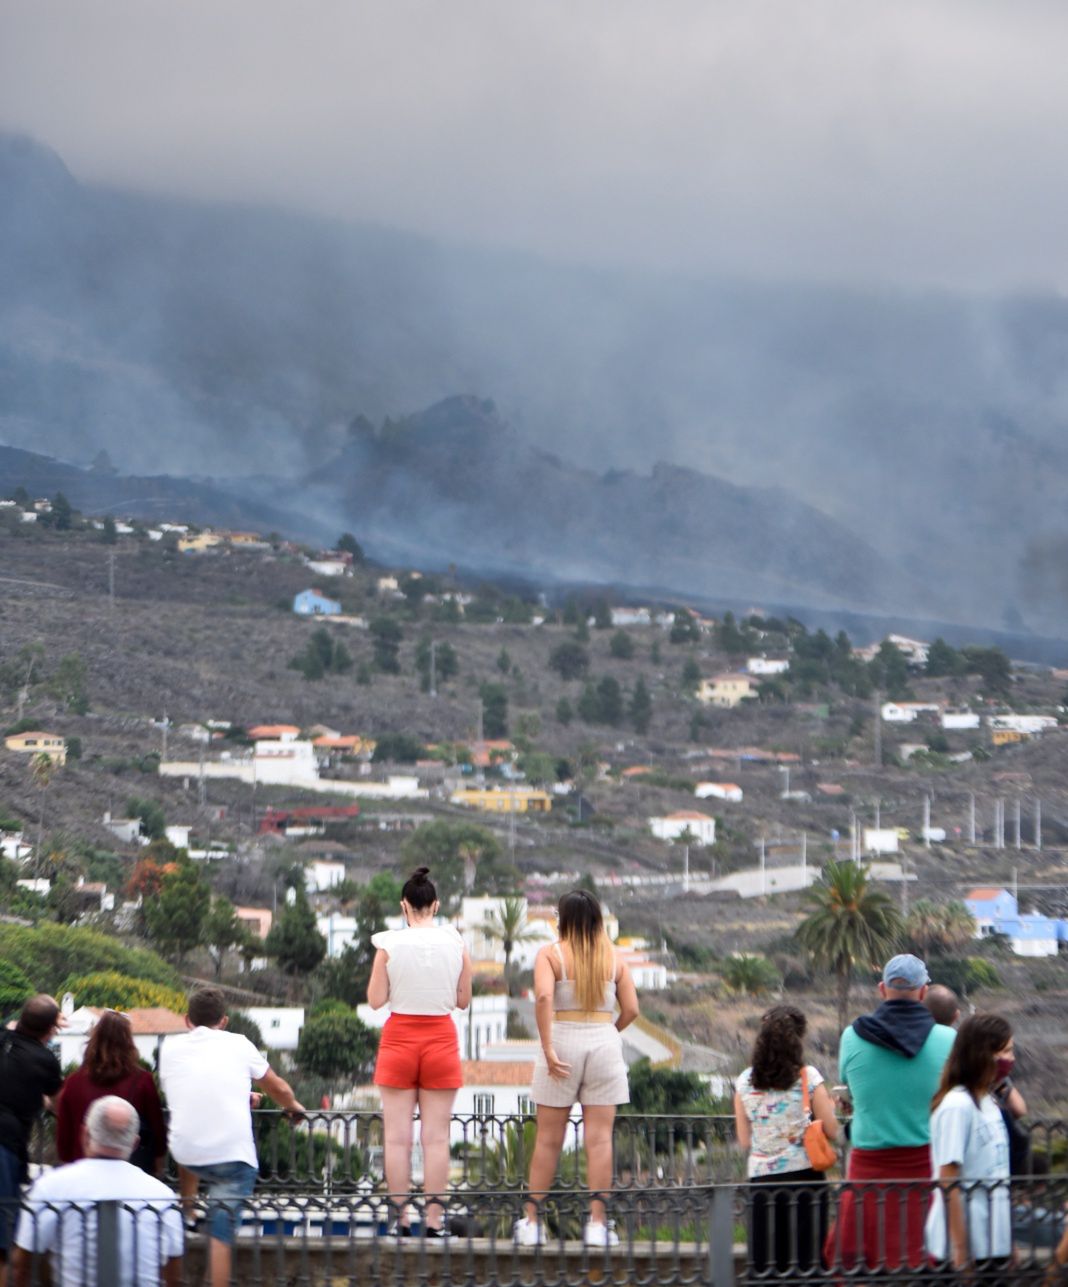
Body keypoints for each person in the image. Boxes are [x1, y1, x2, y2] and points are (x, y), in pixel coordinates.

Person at [516, 889, 639, 1249]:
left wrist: (548, 1046)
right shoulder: (613, 958)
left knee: (548, 1140)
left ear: (564, 919)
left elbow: (542, 997)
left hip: (563, 1041)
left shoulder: (551, 954)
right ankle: (599, 1225)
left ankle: (532, 1221)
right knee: (599, 1140)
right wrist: (607, 1034)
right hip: (604, 1042)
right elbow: (631, 1009)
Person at [159, 986, 304, 1287]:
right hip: (232, 1159)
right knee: (220, 1236)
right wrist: (293, 1107)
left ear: (187, 1020)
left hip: (185, 1152)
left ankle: (188, 1209)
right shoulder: (239, 1044)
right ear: (223, 1021)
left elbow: (196, 1088)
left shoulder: (169, 1047)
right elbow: (277, 1087)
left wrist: (240, 1095)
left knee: (192, 1134)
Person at [826, 953, 955, 1272]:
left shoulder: (852, 1036)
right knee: (925, 1259)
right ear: (923, 993)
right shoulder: (950, 1040)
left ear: (882, 989)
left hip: (869, 1171)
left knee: (863, 1261)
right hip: (926, 1168)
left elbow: (854, 1091)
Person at [367, 866, 472, 1235]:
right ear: (435, 905)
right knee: (436, 1139)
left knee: (397, 1139)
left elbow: (376, 1000)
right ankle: (434, 1220)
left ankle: (401, 1220)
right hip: (441, 1039)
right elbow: (463, 1000)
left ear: (404, 906)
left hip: (399, 1038)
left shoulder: (388, 944)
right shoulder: (457, 944)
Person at [11, 1096, 182, 1287]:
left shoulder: (51, 1187)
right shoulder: (163, 1196)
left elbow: (21, 1266)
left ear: (85, 1134)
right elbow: (173, 1275)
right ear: (134, 1143)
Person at [734, 1005, 838, 1275]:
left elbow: (744, 1140)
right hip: (804, 1180)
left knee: (767, 1262)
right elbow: (832, 1129)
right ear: (797, 1040)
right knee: (807, 1261)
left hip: (761, 1181)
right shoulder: (809, 1078)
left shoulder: (744, 1081)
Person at [925, 1014, 1013, 1278]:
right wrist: (961, 1249)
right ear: (984, 1055)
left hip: (992, 1240)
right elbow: (948, 1179)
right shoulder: (957, 1106)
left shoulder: (988, 1101)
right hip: (966, 1245)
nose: (1012, 1059)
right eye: (1006, 1051)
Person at [0, 995, 63, 1287]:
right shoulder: (45, 1060)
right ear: (51, 1029)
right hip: (5, 1144)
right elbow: (57, 1103)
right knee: (2, 1239)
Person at [55, 1010, 167, 1174]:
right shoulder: (143, 1081)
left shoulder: (73, 1082)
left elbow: (64, 1139)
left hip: (82, 1169)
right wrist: (158, 1165)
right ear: (128, 1042)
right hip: (130, 1171)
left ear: (94, 1040)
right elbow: (157, 1132)